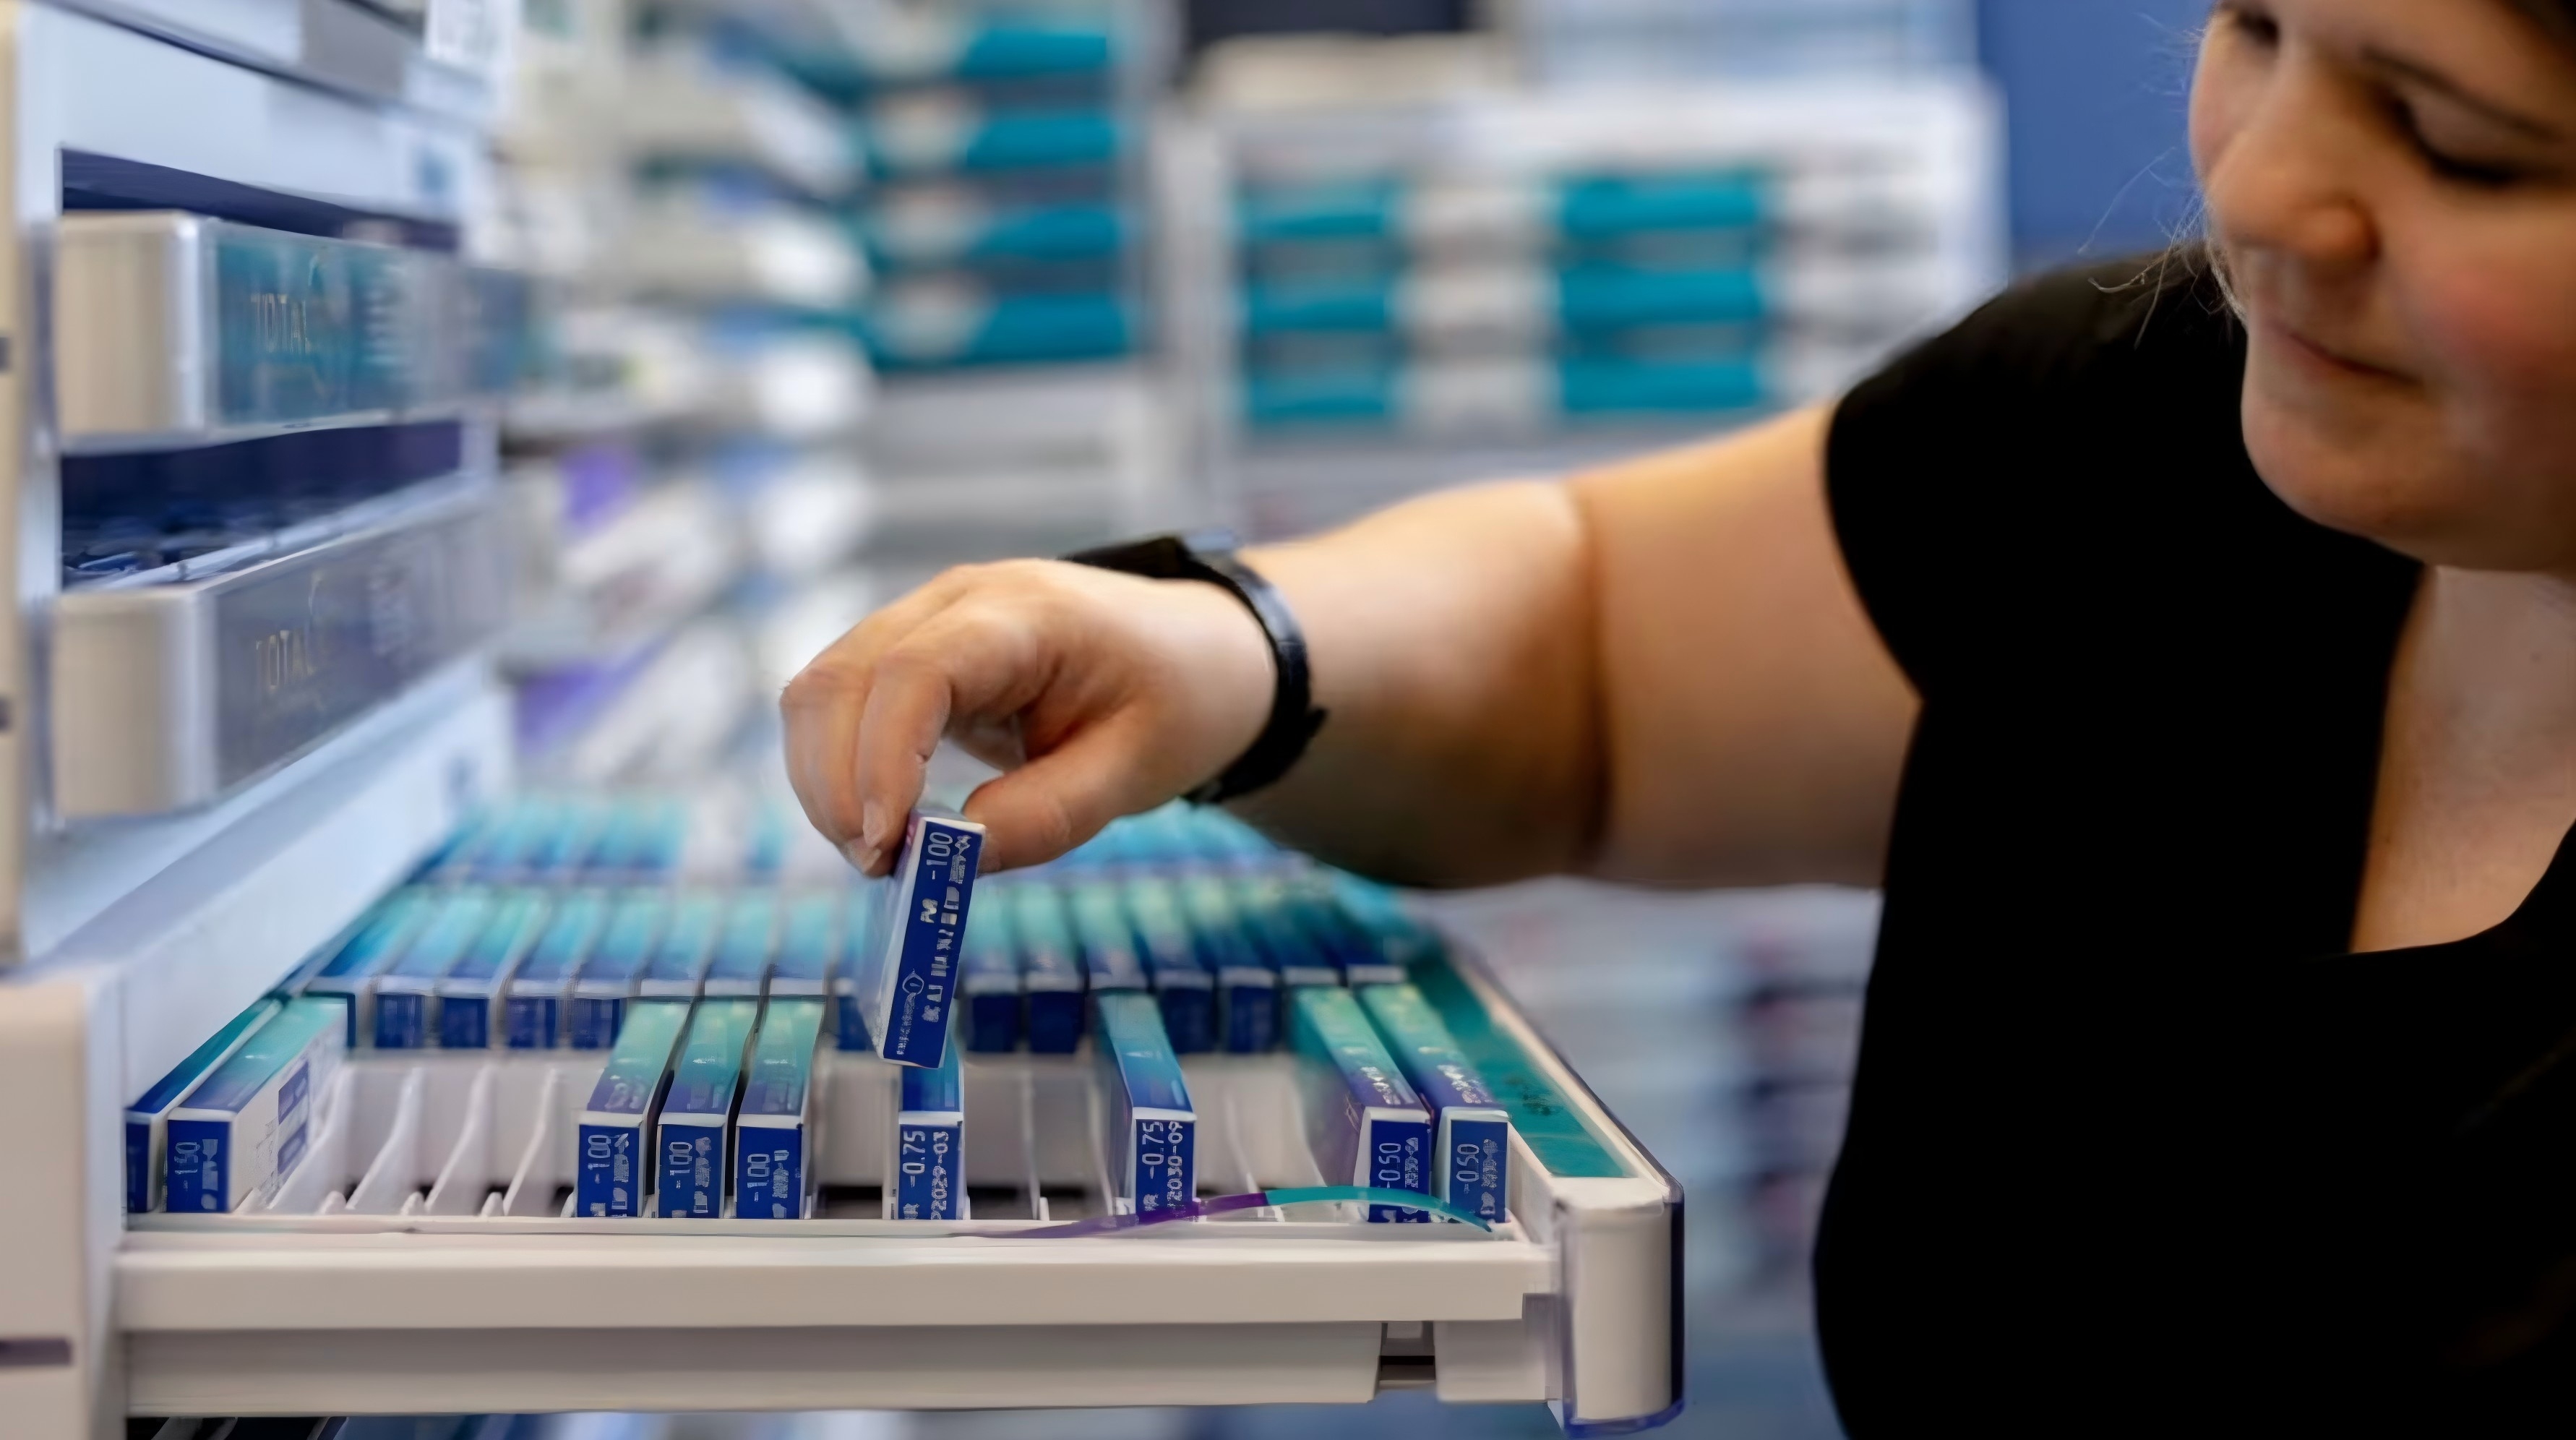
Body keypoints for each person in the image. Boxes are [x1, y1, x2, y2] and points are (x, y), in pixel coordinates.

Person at [783, 0, 2576, 1426]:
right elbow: (1593, 649)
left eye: (2454, 142)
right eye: (2255, 23)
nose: (2262, 190)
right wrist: (1237, 648)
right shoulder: (2154, 425)